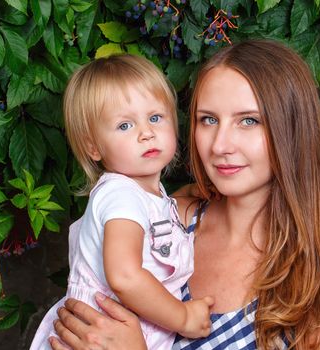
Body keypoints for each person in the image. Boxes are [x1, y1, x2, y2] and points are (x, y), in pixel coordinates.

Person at [48, 40, 320, 349]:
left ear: (291, 128)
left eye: (248, 121)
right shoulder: (170, 219)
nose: (220, 146)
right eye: (208, 120)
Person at [30, 54, 214, 350]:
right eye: (125, 126)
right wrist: (183, 317)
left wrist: (199, 189)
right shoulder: (120, 196)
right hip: (98, 335)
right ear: (93, 146)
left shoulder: (149, 196)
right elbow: (124, 277)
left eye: (155, 117)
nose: (146, 133)